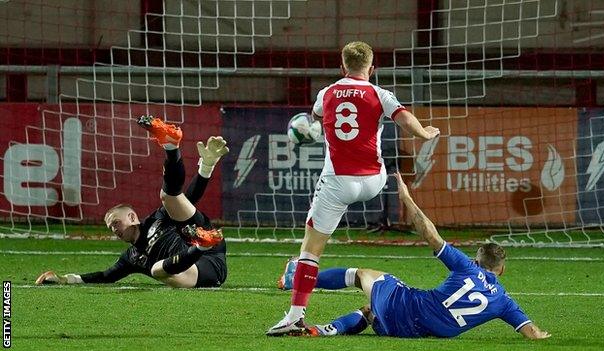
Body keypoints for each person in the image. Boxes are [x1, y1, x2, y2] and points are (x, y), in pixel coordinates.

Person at [266, 41, 440, 335]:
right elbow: (404, 118)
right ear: (372, 68)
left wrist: (316, 127)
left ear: (341, 66)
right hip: (374, 180)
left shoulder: (327, 93)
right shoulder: (379, 93)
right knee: (374, 152)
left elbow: (317, 118)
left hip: (338, 183)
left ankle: (295, 317)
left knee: (309, 252)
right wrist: (425, 132)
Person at [274, 173, 551, 340]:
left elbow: (431, 236)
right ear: (501, 271)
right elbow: (530, 331)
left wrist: (406, 198)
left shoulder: (466, 267)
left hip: (408, 307)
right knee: (371, 312)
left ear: (477, 261)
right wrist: (540, 335)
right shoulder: (504, 301)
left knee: (362, 276)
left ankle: (295, 278)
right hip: (413, 331)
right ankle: (327, 330)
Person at [35, 116, 229, 288]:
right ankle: (201, 244)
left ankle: (171, 145)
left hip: (209, 243)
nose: (114, 230)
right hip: (206, 269)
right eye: (111, 228)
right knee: (157, 271)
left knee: (169, 198)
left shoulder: (157, 219)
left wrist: (206, 167)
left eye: (116, 223)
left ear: (132, 216)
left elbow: (187, 199)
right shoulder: (132, 258)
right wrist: (63, 279)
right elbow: (105, 276)